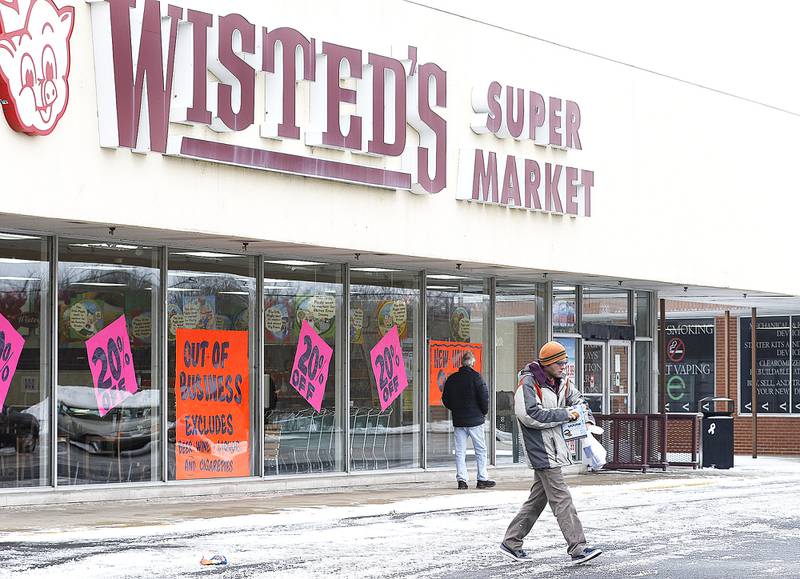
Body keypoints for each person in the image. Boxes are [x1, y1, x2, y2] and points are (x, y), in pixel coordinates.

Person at [499, 341, 602, 566]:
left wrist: (585, 416)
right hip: (541, 450)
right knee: (562, 498)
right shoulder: (528, 383)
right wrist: (566, 414)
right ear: (546, 363)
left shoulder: (562, 382)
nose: (564, 366)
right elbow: (531, 415)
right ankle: (578, 547)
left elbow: (579, 401)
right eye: (560, 363)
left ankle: (511, 542)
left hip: (554, 448)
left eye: (565, 362)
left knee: (538, 499)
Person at [441, 351, 495, 490]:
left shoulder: (452, 379)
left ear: (462, 363)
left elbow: (445, 399)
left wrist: (455, 409)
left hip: (459, 420)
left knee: (460, 451)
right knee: (480, 450)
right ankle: (482, 479)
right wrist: (483, 412)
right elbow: (484, 398)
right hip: (475, 420)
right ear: (472, 363)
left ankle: (462, 481)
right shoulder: (476, 378)